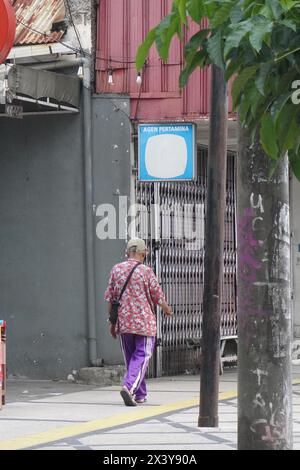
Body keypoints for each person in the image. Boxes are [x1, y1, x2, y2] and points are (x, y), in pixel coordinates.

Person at [104, 238, 172, 406]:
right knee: (142, 356)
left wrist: (112, 323)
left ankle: (140, 394)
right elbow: (158, 296)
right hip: (144, 323)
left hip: (124, 323)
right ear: (143, 254)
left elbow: (111, 299)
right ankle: (128, 387)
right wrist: (166, 308)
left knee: (131, 359)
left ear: (128, 253)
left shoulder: (116, 269)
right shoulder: (146, 271)